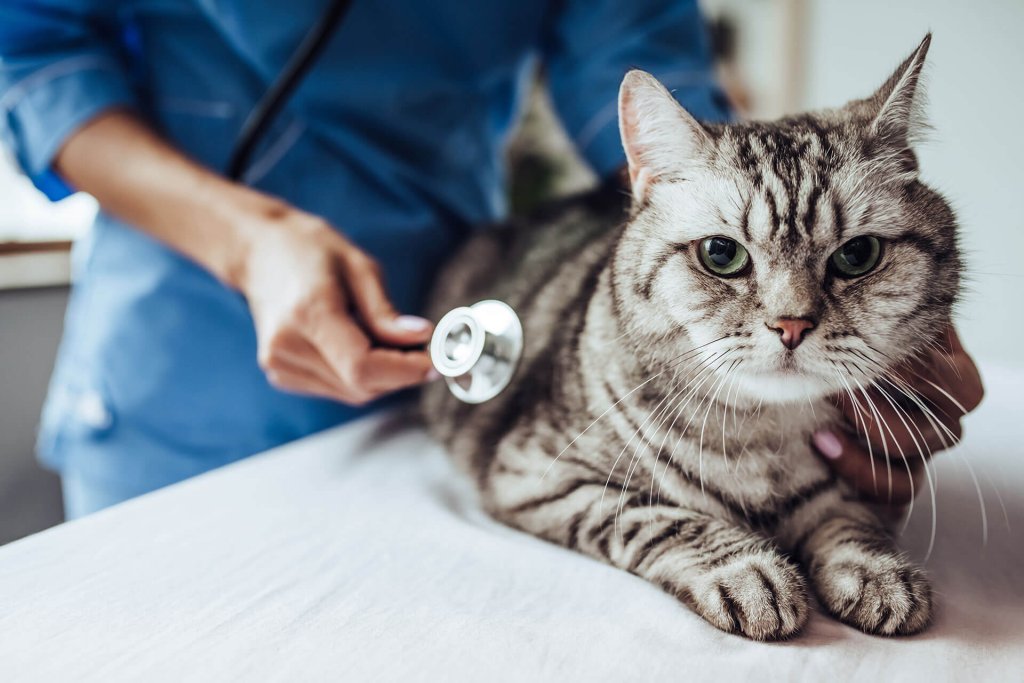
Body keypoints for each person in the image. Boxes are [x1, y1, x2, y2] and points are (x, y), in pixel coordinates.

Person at [0, 1, 982, 519]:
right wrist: (246, 239)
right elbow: (36, 56)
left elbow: (640, 81)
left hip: (468, 337)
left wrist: (862, 297)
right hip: (187, 342)